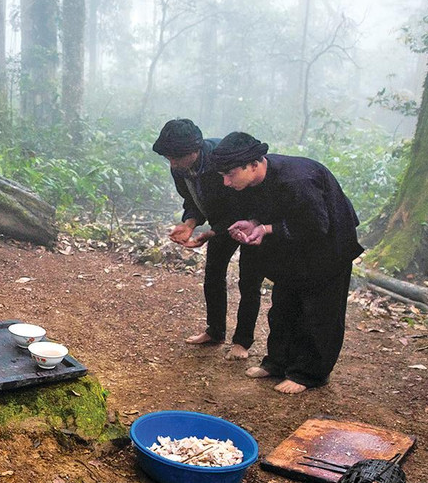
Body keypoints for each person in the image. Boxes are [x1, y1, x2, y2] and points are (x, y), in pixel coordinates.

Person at [208, 131, 363, 394]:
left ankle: (309, 373)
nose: (225, 182)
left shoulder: (297, 180)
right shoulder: (251, 183)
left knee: (318, 313)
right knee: (283, 307)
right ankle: (277, 363)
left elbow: (316, 225)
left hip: (329, 247)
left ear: (254, 165)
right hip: (294, 250)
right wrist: (255, 224)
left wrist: (267, 229)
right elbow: (270, 213)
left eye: (230, 174)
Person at [152, 119, 265, 359]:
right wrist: (189, 223)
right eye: (168, 158)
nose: (171, 164)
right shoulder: (179, 168)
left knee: (249, 280)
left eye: (175, 158)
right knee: (213, 275)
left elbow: (241, 203)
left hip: (251, 221)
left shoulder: (223, 160)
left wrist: (211, 233)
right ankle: (215, 331)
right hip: (218, 224)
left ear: (194, 151)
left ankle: (242, 342)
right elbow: (192, 199)